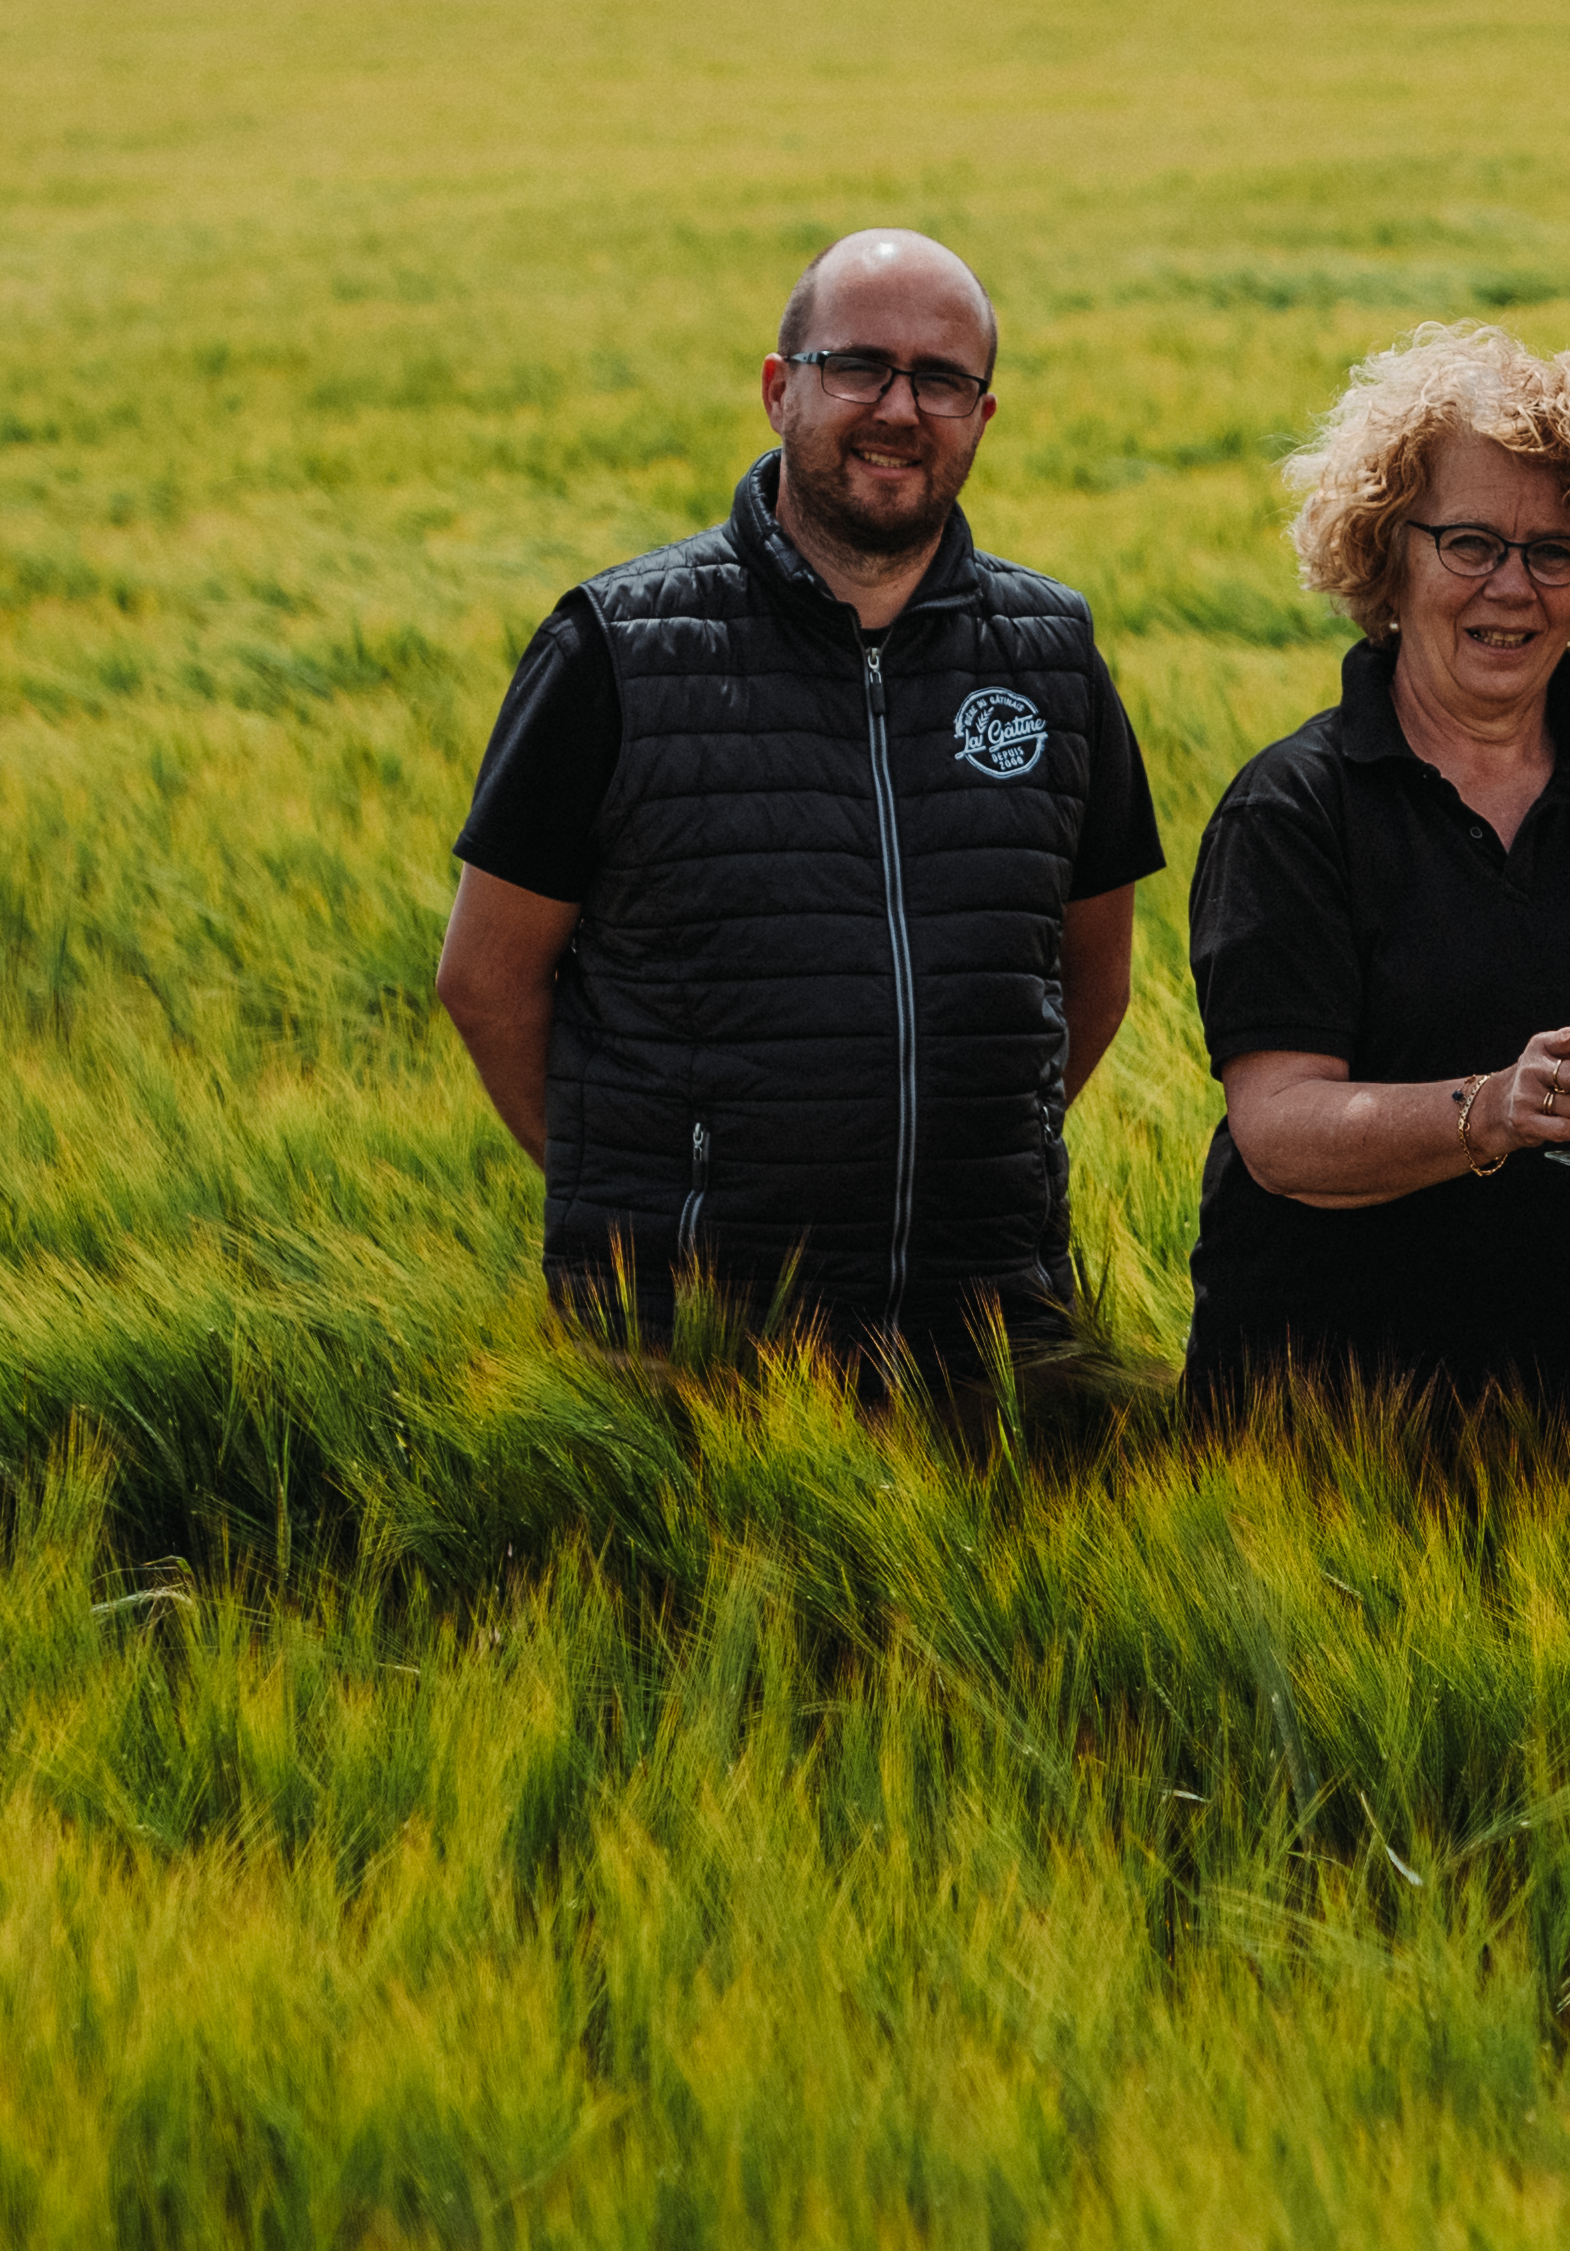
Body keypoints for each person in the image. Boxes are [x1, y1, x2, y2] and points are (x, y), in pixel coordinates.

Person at [430, 228, 1166, 1395]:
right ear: (781, 390)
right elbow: (485, 977)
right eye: (859, 365)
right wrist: (645, 1196)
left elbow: (1095, 976)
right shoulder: (615, 650)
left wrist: (962, 1161)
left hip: (991, 1338)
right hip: (687, 1355)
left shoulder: (1052, 654)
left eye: (942, 379)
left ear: (982, 414)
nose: (900, 408)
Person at [1180, 323, 1570, 1474]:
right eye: (1471, 542)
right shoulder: (1294, 810)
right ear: (1388, 554)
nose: (1512, 588)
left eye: (1554, 551)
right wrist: (1490, 1109)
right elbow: (1278, 1129)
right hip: (1333, 1455)